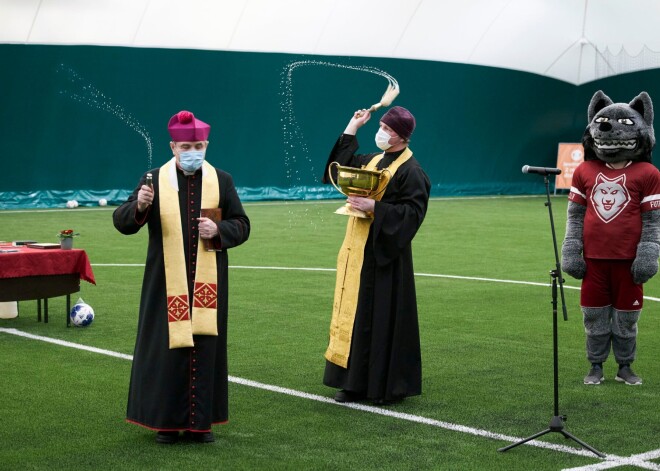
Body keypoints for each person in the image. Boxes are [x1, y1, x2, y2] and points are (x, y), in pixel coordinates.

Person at [113, 110, 250, 443]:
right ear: (173, 146)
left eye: (199, 145)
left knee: (204, 347)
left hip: (209, 282)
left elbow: (242, 225)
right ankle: (167, 423)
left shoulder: (223, 180)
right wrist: (140, 207)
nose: (194, 151)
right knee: (167, 350)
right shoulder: (152, 179)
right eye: (187, 146)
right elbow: (122, 222)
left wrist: (219, 228)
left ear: (207, 144)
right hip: (165, 283)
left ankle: (200, 424)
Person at [322, 105, 431, 405]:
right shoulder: (374, 160)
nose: (381, 133)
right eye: (381, 126)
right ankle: (352, 382)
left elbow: (413, 213)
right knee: (356, 316)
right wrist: (352, 126)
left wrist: (375, 209)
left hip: (385, 256)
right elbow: (337, 168)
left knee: (379, 317)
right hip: (358, 249)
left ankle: (381, 386)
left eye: (387, 129)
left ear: (401, 137)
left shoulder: (412, 170)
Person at [562, 90, 660, 386]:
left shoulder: (648, 173)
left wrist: (648, 253)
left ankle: (625, 366)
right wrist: (571, 249)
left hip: (628, 261)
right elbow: (575, 215)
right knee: (593, 317)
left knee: (627, 318)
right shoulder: (584, 171)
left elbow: (653, 220)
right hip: (593, 260)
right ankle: (595, 365)